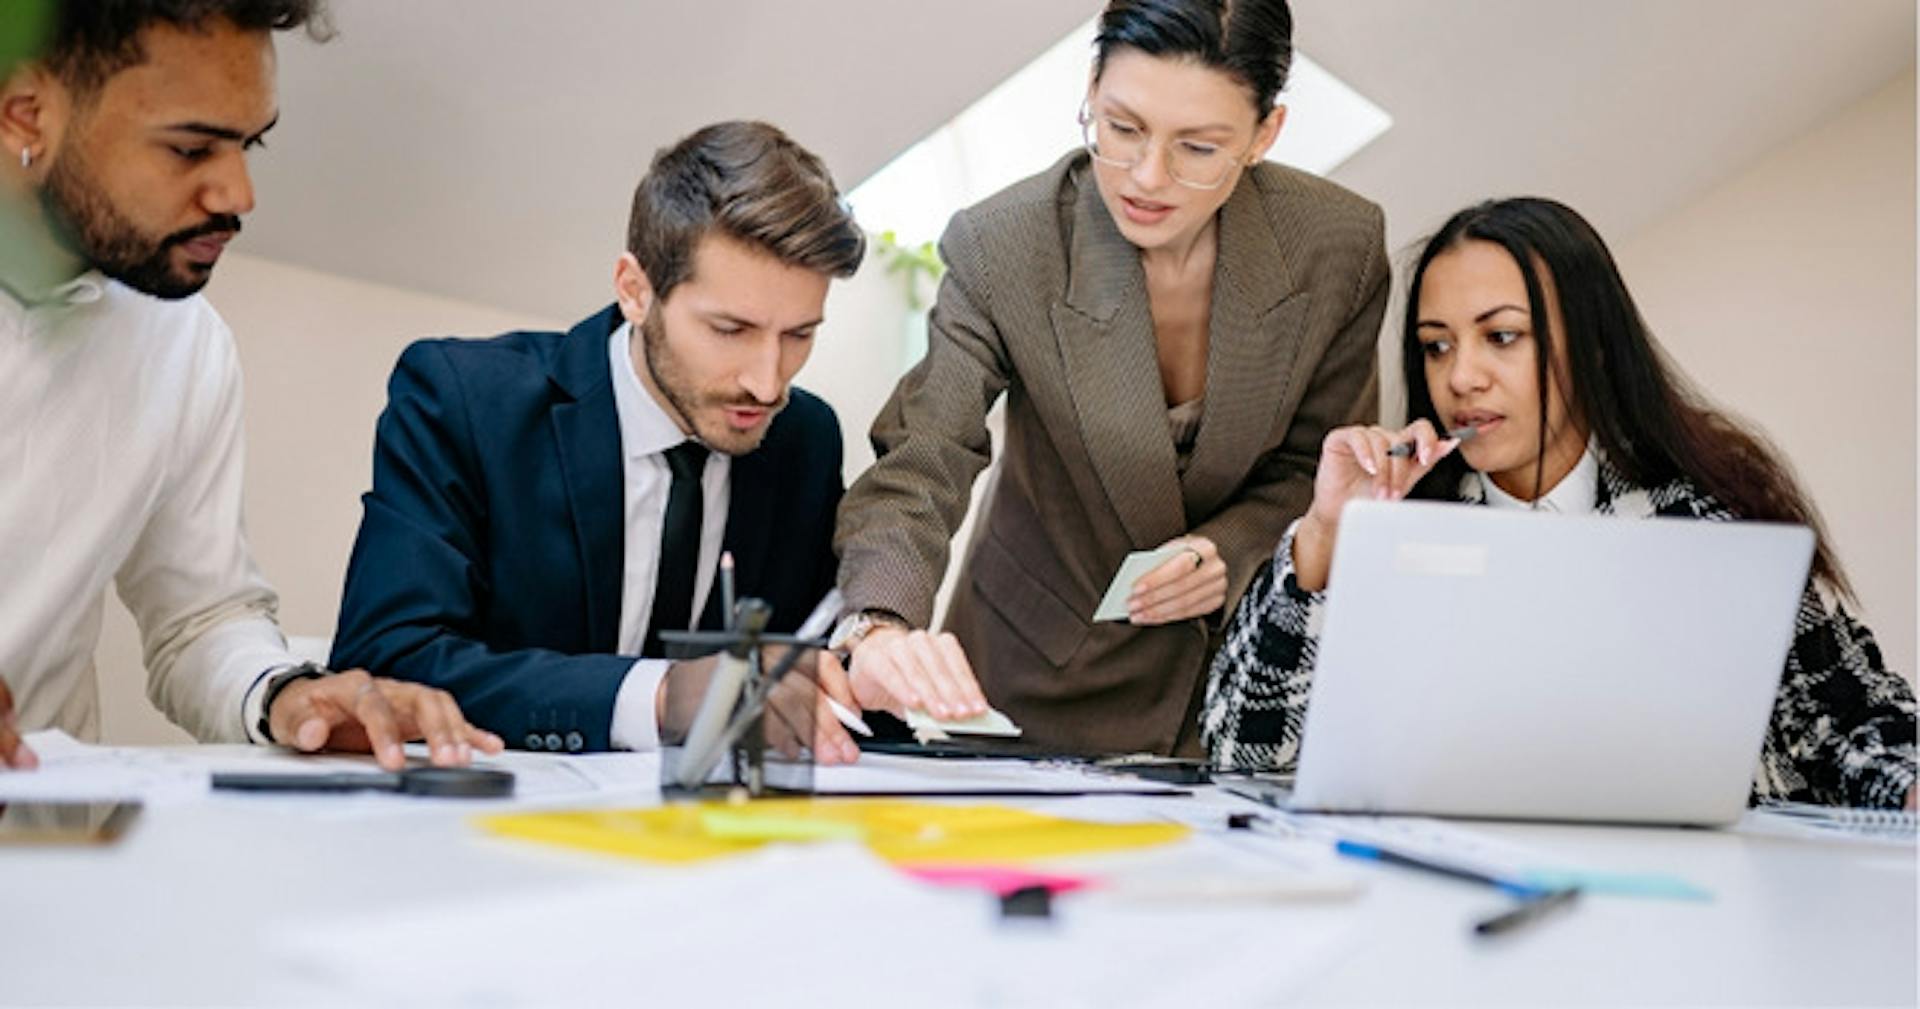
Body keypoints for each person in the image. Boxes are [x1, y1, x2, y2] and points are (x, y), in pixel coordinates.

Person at [1202, 196, 1917, 809]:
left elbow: (1847, 724)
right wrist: (1327, 534)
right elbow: (1240, 751)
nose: (1462, 376)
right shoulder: (1400, 532)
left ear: (1596, 348)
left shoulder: (1703, 522)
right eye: (1437, 346)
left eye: (1501, 337)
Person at [831, 0, 1387, 755]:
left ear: (1265, 135)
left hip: (1230, 685)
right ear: (1091, 87)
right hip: (1025, 679)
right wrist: (877, 624)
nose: (1146, 177)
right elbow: (925, 456)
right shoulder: (1005, 245)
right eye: (1122, 129)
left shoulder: (1339, 248)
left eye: (1197, 147)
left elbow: (1318, 471)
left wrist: (1229, 549)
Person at [0, 0, 500, 772]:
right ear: (26, 115)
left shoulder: (183, 343)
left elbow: (199, 617)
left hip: (46, 851)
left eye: (248, 144)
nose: (239, 194)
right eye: (191, 148)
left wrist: (286, 697)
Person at [330, 121, 869, 762]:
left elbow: (806, 667)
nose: (767, 381)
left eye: (800, 335)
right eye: (730, 330)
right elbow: (384, 659)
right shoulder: (464, 401)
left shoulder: (805, 440)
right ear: (635, 291)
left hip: (719, 846)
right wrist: (660, 696)